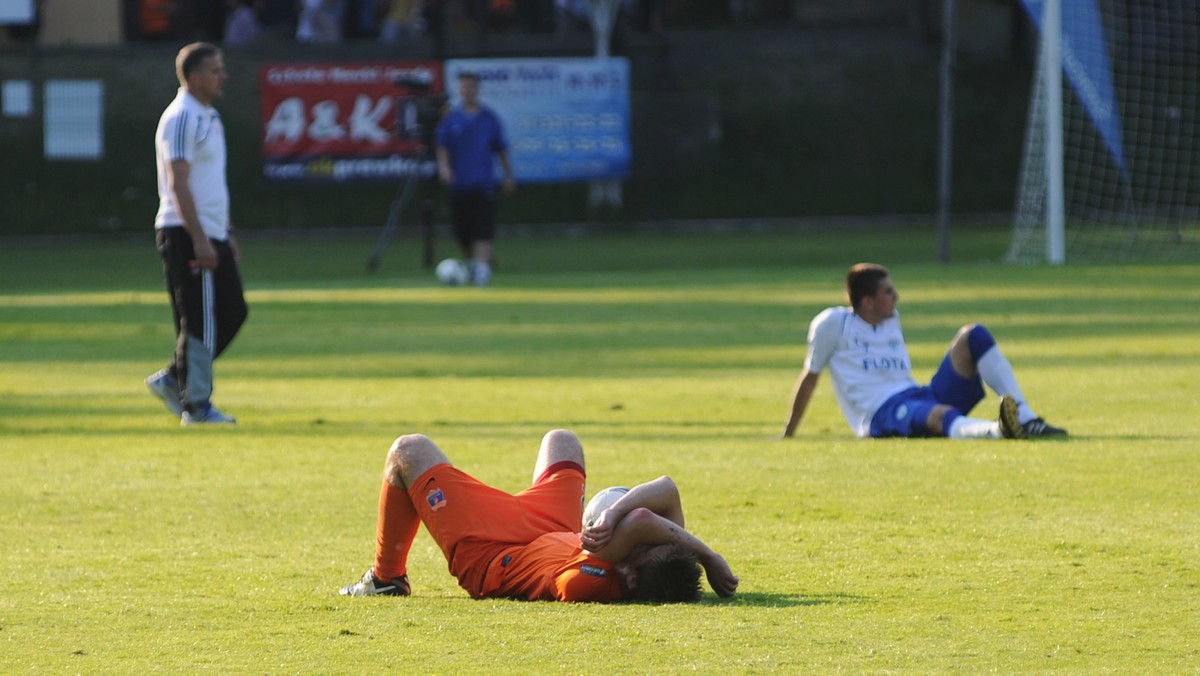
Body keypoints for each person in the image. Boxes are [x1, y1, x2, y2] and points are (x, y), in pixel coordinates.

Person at [340, 429, 739, 602]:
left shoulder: (588, 583)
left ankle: (386, 577)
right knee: (562, 440)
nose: (645, 543)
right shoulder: (661, 566)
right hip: (554, 532)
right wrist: (702, 556)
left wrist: (710, 557)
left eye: (636, 551)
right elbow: (668, 490)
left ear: (629, 576)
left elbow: (642, 523)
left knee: (407, 451)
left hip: (493, 554)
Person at [781, 263, 1067, 440]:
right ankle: (998, 431)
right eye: (888, 292)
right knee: (939, 414)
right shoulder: (832, 324)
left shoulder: (890, 319)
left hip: (918, 393)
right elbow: (811, 377)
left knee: (973, 335)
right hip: (882, 413)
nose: (897, 297)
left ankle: (1026, 419)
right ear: (867, 302)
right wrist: (789, 433)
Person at [146, 43, 248, 426]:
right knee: (201, 319)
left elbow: (210, 184)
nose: (223, 76)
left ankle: (175, 377)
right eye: (214, 70)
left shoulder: (210, 116)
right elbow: (178, 182)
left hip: (211, 231)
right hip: (186, 230)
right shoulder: (182, 116)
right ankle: (197, 406)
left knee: (234, 311)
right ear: (193, 77)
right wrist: (200, 237)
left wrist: (225, 232)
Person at [435, 71, 515, 286]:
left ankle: (482, 271)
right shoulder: (451, 119)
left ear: (477, 89)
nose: (467, 91)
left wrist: (508, 177)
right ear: (459, 90)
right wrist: (444, 168)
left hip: (483, 183)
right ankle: (471, 264)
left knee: (483, 229)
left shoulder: (489, 118)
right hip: (459, 184)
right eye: (463, 87)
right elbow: (443, 146)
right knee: (462, 230)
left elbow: (501, 149)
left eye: (471, 87)